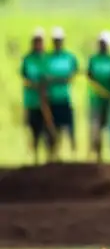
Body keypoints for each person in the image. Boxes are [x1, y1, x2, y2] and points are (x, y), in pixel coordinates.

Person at [43, 26, 79, 158]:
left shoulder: (69, 57)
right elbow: (45, 78)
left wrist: (55, 79)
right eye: (55, 40)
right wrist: (60, 79)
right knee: (52, 129)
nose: (57, 42)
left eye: (59, 40)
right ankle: (53, 155)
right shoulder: (47, 58)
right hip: (52, 99)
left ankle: (73, 155)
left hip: (65, 98)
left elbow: (71, 76)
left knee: (69, 128)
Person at [87, 31, 110, 163]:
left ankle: (109, 154)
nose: (102, 46)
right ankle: (97, 155)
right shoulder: (93, 60)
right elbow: (90, 76)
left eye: (105, 43)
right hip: (96, 100)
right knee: (96, 127)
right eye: (101, 43)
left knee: (109, 127)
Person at [21, 28, 50, 164]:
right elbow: (25, 79)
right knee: (34, 129)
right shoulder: (27, 60)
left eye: (40, 41)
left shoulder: (46, 59)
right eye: (36, 41)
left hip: (46, 101)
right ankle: (36, 157)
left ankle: (48, 157)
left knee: (46, 129)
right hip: (32, 101)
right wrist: (36, 85)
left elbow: (48, 78)